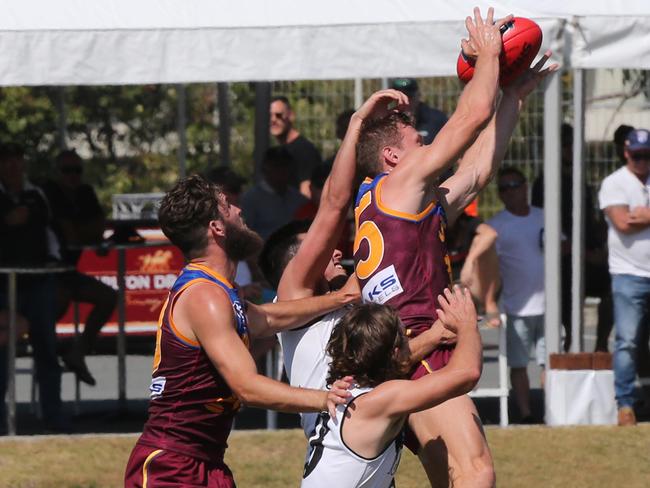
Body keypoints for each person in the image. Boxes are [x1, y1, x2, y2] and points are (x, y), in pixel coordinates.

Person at [353, 7, 558, 486]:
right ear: (392, 157)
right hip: (419, 344)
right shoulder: (399, 184)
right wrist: (489, 55)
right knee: (475, 471)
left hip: (406, 348)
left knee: (455, 475)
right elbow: (471, 116)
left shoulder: (399, 201)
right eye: (417, 140)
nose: (428, 145)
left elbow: (478, 169)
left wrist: (514, 95)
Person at [124, 175, 358, 487]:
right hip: (172, 466)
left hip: (205, 462)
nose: (238, 210)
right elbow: (248, 387)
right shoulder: (204, 296)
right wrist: (326, 398)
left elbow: (267, 319)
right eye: (228, 206)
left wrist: (338, 298)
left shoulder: (219, 291)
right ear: (216, 228)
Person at [262, 89, 456, 441]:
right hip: (335, 436)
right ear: (292, 268)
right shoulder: (293, 295)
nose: (335, 252)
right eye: (318, 254)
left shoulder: (351, 297)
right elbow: (334, 204)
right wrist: (357, 123)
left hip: (371, 435)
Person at [302, 287, 481, 488]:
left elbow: (398, 361)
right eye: (405, 338)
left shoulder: (352, 386)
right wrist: (467, 325)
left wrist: (434, 335)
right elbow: (466, 373)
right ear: (396, 352)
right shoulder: (379, 401)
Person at [0, 144, 67, 432]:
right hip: (2, 285)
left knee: (46, 348)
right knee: (3, 347)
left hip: (38, 281)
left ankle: (54, 418)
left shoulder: (37, 195)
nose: (13, 166)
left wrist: (53, 261)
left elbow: (51, 232)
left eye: (17, 160)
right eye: (6, 161)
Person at [531, 123, 611, 352]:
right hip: (564, 259)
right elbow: (545, 223)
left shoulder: (579, 178)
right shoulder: (546, 182)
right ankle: (570, 355)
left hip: (588, 255)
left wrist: (600, 244)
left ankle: (600, 347)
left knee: (612, 291)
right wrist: (579, 251)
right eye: (565, 145)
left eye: (572, 144)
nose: (570, 149)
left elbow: (587, 219)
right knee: (568, 310)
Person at [42, 149, 117, 386]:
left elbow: (97, 226)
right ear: (57, 173)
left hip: (69, 273)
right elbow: (73, 235)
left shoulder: (85, 193)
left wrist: (85, 233)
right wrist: (86, 232)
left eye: (77, 170)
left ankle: (78, 351)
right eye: (67, 170)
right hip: (48, 272)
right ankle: (48, 352)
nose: (73, 176)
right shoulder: (49, 193)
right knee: (55, 305)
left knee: (108, 297)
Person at [598, 128, 650, 426]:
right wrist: (635, 217)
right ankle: (625, 404)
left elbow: (634, 220)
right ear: (626, 152)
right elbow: (623, 223)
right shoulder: (614, 183)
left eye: (647, 155)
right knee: (628, 341)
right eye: (637, 155)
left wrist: (643, 215)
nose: (642, 161)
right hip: (629, 275)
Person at [487, 167, 545, 423]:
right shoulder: (496, 226)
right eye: (504, 187)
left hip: (549, 308)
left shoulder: (544, 216)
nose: (511, 191)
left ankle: (550, 409)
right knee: (519, 364)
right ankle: (526, 413)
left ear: (525, 187)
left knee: (549, 364)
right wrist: (489, 303)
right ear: (499, 194)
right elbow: (488, 269)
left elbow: (564, 248)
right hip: (517, 307)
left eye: (515, 184)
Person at [241, 146, 308, 240]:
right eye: (276, 166)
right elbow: (246, 234)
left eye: (285, 165)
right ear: (265, 168)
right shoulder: (250, 199)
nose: (281, 171)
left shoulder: (299, 199)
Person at [270, 95, 323, 198]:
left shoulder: (304, 150)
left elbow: (306, 194)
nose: (273, 120)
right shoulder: (278, 151)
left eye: (279, 115)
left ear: (291, 116)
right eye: (269, 115)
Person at [391, 77, 448, 145]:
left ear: (418, 95)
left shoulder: (437, 119)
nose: (405, 102)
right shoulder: (387, 121)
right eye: (399, 98)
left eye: (409, 97)